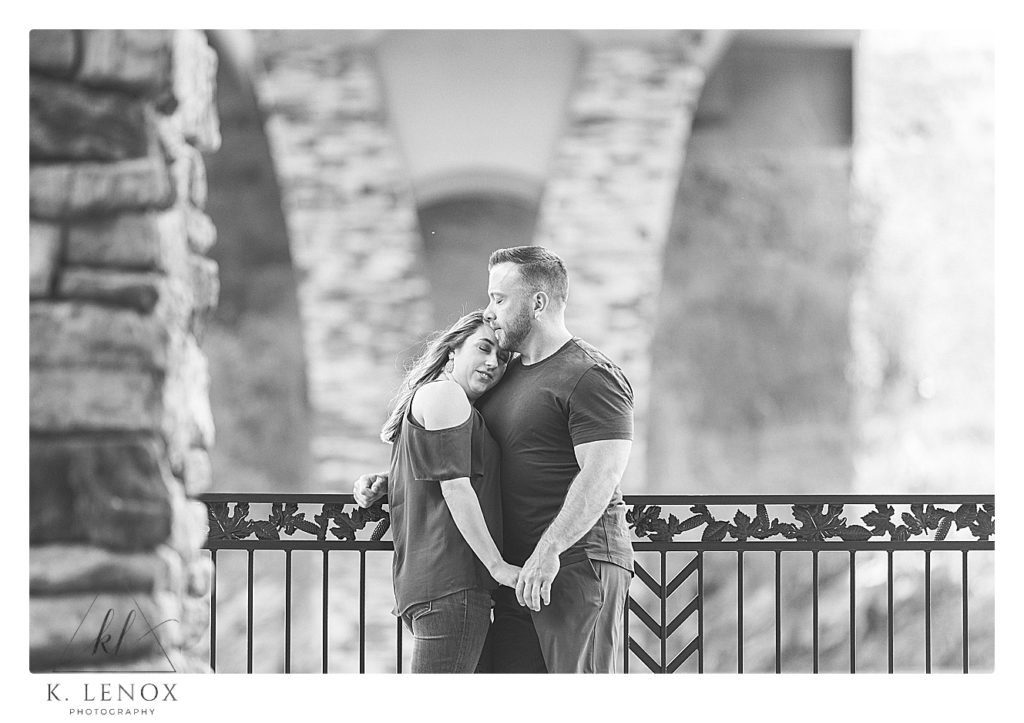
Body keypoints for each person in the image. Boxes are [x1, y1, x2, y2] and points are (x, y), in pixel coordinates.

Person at [355, 246, 634, 674]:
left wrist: (550, 549)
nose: (490, 310)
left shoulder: (590, 376)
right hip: (511, 578)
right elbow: (468, 457)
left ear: (537, 303)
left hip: (577, 566)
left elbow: (603, 473)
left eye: (499, 299)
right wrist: (391, 478)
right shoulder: (502, 378)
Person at [377, 309, 521, 673]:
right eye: (484, 348)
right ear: (454, 349)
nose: (493, 362)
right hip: (452, 586)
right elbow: (456, 488)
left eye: (502, 357)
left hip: (433, 588)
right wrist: (498, 567)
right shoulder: (446, 396)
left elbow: (425, 476)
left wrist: (379, 483)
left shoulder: (437, 399)